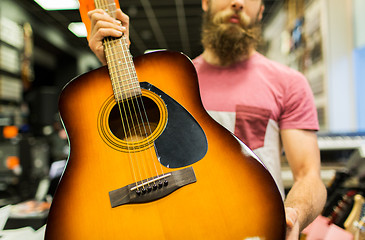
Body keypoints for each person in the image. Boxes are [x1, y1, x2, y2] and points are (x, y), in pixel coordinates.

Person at [82, 0, 327, 239]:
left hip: (256, 228)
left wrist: (294, 212)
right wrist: (110, 64)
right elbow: (132, 154)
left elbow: (309, 175)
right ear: (205, 3)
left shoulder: (289, 83)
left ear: (262, 10)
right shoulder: (170, 80)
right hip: (181, 227)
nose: (238, 3)